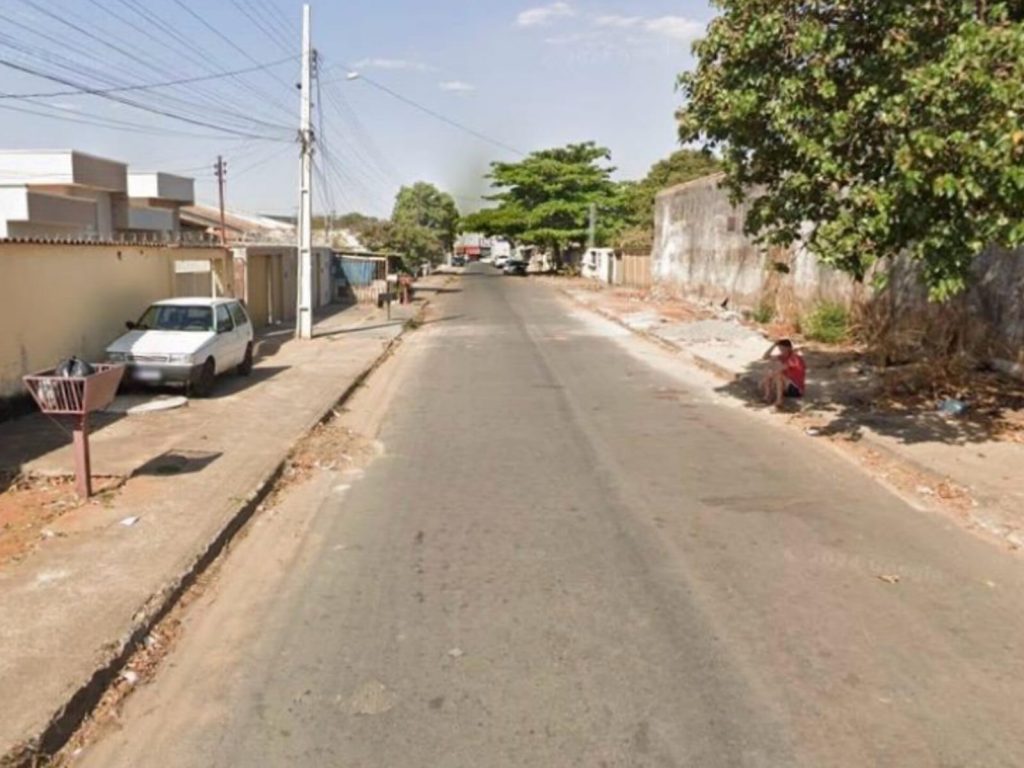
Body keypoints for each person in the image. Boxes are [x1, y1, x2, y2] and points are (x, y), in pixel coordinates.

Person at [762, 339, 806, 408]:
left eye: (783, 349)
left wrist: (766, 379)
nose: (781, 351)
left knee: (777, 374)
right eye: (780, 349)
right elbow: (765, 357)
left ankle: (778, 401)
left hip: (796, 389)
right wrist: (774, 345)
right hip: (786, 386)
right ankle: (768, 396)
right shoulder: (781, 356)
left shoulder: (794, 358)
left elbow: (780, 369)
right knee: (768, 368)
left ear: (789, 348)